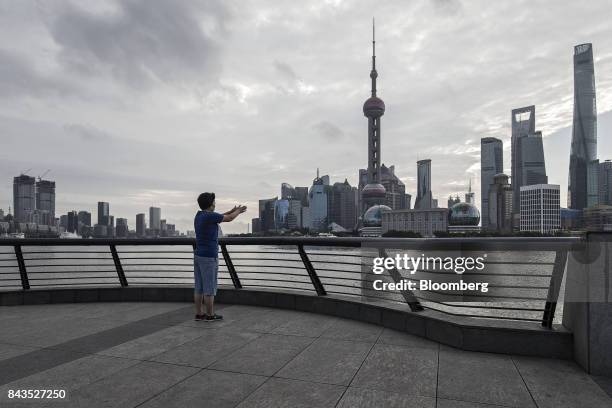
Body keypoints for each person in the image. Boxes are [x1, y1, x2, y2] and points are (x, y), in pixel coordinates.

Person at [193, 192, 246, 321]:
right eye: (214, 202)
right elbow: (228, 218)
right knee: (209, 287)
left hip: (199, 255)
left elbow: (220, 216)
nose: (215, 204)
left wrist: (231, 210)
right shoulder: (208, 217)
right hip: (209, 257)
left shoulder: (199, 215)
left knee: (199, 287)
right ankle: (210, 315)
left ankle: (199, 314)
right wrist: (238, 211)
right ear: (211, 204)